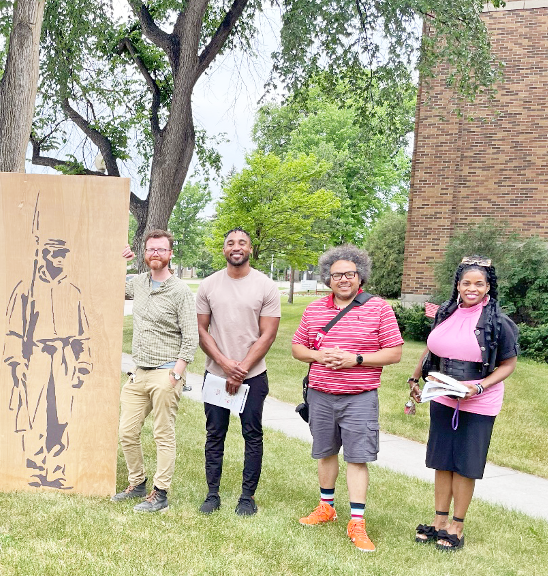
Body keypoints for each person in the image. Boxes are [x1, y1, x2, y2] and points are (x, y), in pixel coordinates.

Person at [291, 245, 403, 552]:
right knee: (325, 453)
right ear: (328, 278)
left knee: (357, 457)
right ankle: (326, 507)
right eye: (337, 274)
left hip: (359, 397)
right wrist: (318, 354)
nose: (343, 279)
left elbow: (394, 352)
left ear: (360, 276)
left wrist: (356, 359)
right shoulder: (314, 309)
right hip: (321, 395)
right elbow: (297, 348)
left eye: (349, 274)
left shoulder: (378, 308)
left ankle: (357, 522)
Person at [408, 256, 518, 551]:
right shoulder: (445, 312)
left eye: (478, 284)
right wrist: (415, 378)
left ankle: (457, 525)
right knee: (442, 462)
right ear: (457, 285)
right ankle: (439, 520)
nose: (472, 288)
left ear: (487, 288)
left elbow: (508, 365)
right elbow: (431, 348)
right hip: (442, 395)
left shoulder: (499, 322)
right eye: (466, 283)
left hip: (479, 402)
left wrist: (479, 386)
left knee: (465, 465)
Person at [195, 228, 281, 515]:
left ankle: (247, 497)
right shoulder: (208, 285)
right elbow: (201, 330)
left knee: (252, 435)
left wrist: (241, 368)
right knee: (214, 434)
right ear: (223, 250)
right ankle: (212, 494)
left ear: (250, 249)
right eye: (230, 243)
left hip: (253, 376)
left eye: (242, 243)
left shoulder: (266, 286)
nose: (236, 247)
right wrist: (224, 364)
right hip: (216, 374)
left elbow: (268, 334)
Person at [113, 229, 198, 513]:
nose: (156, 254)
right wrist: (122, 262)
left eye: (161, 250)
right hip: (139, 372)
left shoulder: (181, 292)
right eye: (151, 249)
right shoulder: (138, 283)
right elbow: (111, 285)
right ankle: (137, 483)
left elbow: (191, 337)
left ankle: (160, 493)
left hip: (166, 373)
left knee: (163, 434)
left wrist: (177, 373)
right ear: (144, 252)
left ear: (170, 254)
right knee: (127, 431)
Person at [4, 237, 92, 490]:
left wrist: (83, 362)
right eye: (55, 253)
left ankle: (56, 471)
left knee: (61, 415)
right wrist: (16, 361)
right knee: (34, 414)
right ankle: (34, 469)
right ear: (44, 256)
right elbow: (13, 330)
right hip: (36, 357)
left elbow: (83, 332)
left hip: (64, 359)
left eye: (64, 253)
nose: (60, 258)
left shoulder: (73, 291)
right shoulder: (27, 288)